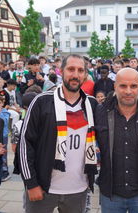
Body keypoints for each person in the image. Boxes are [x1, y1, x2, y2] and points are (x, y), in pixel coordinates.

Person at [17, 54, 98, 213]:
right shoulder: (42, 101)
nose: (75, 74)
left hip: (78, 189)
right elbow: (25, 144)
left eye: (80, 70)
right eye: (71, 69)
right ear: (61, 71)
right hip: (43, 187)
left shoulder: (92, 104)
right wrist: (31, 183)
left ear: (85, 74)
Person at [95, 67, 138, 213]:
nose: (128, 91)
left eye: (133, 86)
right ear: (115, 86)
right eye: (123, 86)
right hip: (111, 194)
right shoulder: (100, 113)